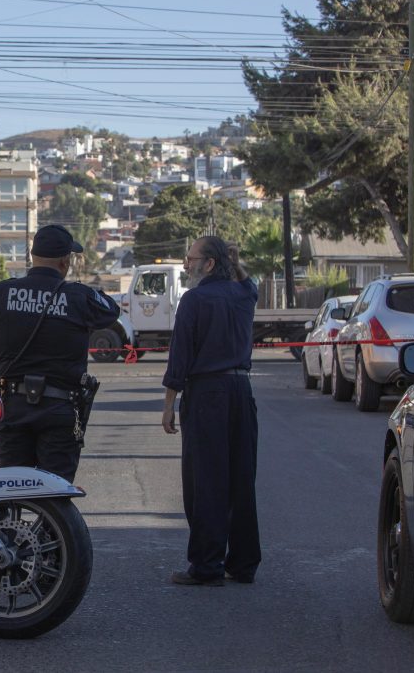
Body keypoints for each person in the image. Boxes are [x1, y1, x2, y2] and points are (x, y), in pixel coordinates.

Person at [0, 224, 120, 482]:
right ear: (66, 261)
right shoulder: (78, 296)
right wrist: (80, 292)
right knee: (55, 494)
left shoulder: (2, 292)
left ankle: (8, 523)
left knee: (10, 488)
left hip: (14, 406)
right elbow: (110, 310)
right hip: (60, 408)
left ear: (32, 256)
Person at [161, 236, 260, 587]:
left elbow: (180, 356)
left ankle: (206, 565)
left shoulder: (194, 300)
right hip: (241, 391)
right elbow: (249, 283)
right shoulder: (243, 295)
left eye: (191, 259)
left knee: (205, 482)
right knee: (241, 479)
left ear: (209, 264)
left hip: (207, 393)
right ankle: (244, 563)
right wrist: (237, 260)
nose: (187, 265)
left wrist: (170, 403)